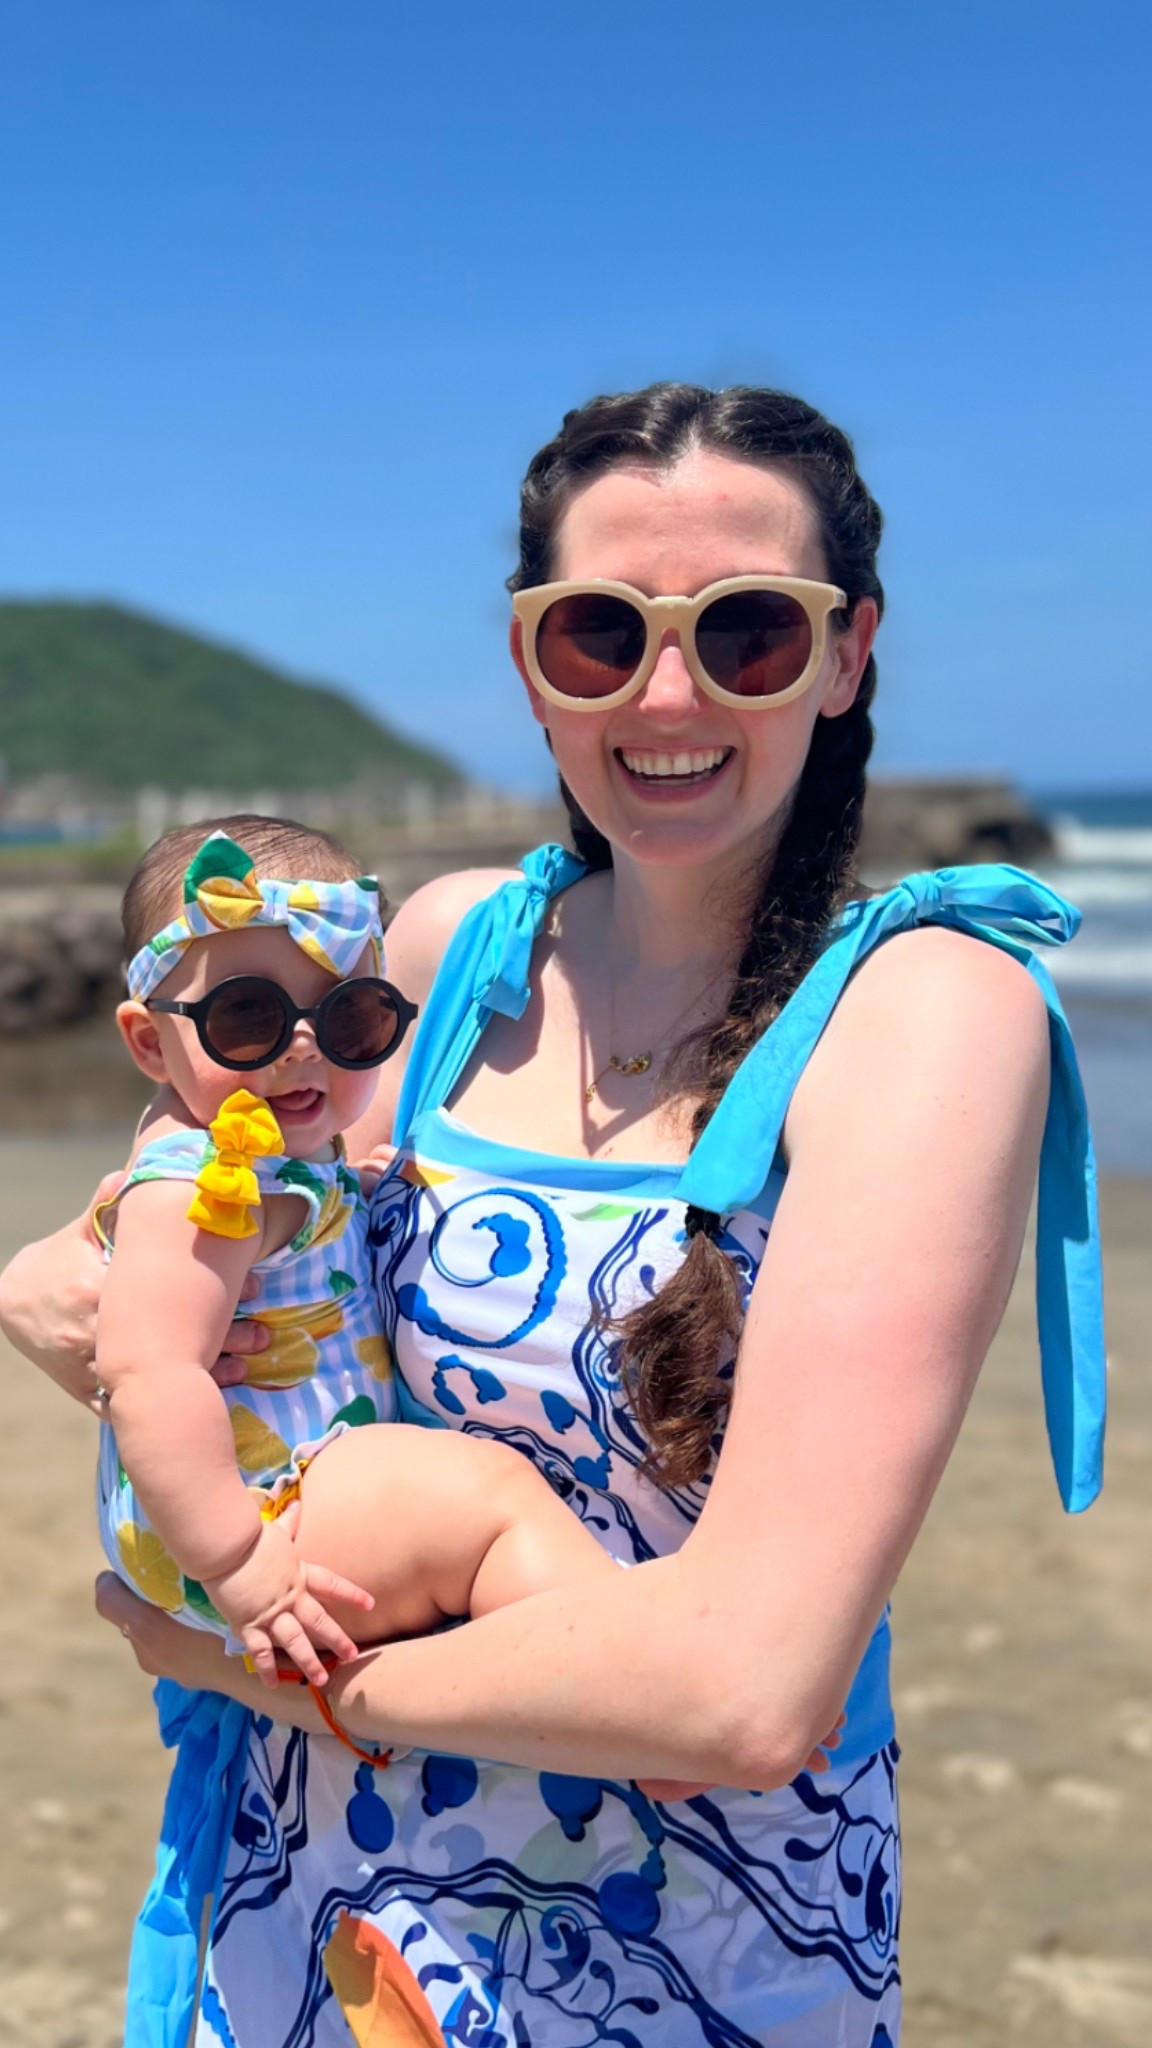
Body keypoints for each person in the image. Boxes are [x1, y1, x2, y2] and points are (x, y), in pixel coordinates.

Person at [0, 382, 1105, 2048]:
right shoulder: (448, 960)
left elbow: (743, 1695)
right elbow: (210, 1213)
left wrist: (260, 1662)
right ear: (531, 661)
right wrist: (66, 1285)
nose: (668, 689)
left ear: (846, 651)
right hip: (317, 1896)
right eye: (602, 632)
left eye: (746, 630)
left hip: (683, 1943)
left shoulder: (922, 1012)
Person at [95, 815, 642, 1708]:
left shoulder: (279, 1155)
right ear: (152, 1043)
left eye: (348, 1015)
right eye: (247, 1017)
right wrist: (240, 1566)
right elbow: (147, 1373)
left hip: (266, 1494)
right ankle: (642, 1684)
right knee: (487, 1501)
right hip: (245, 1513)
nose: (304, 1044)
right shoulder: (213, 1186)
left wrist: (351, 1183)